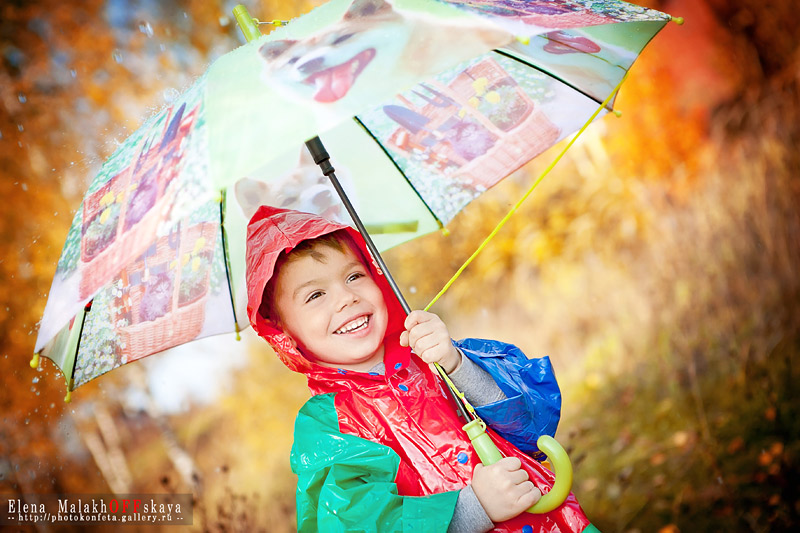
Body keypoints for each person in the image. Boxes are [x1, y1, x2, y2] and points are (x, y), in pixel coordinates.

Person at [245, 206, 598, 532]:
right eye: (315, 295)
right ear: (284, 333)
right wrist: (475, 508)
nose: (346, 298)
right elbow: (359, 522)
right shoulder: (327, 427)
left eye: (354, 276)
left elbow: (532, 426)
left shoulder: (434, 355)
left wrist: (456, 363)